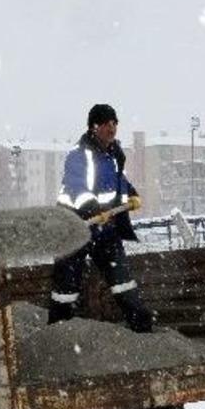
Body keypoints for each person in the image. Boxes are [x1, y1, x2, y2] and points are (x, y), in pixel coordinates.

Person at [49, 104, 153, 332]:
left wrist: (131, 194)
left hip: (105, 229)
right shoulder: (79, 155)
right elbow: (76, 187)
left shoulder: (114, 155)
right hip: (76, 229)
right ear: (94, 126)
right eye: (106, 123)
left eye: (115, 123)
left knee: (123, 281)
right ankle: (56, 333)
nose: (112, 128)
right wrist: (92, 208)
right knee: (66, 289)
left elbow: (117, 183)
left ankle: (142, 328)